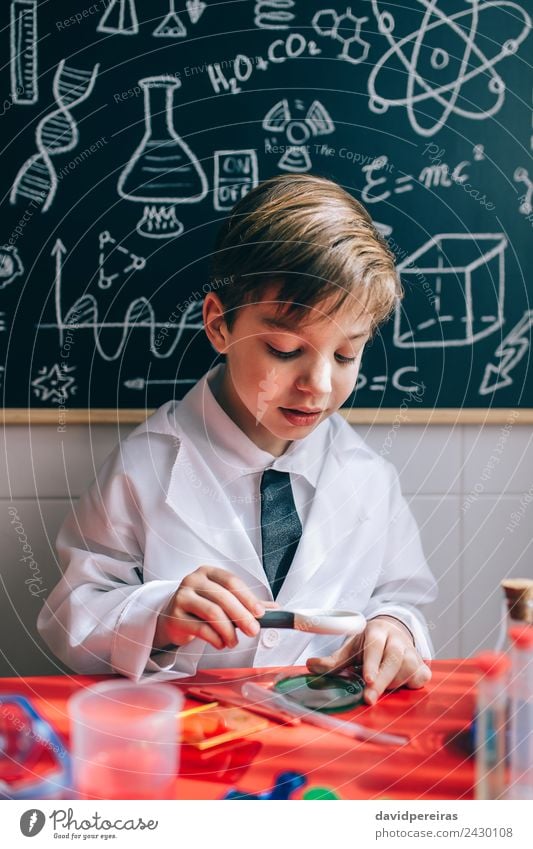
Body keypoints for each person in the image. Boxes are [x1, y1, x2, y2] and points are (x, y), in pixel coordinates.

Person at [38, 174, 437, 704]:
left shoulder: (369, 477)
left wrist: (395, 629)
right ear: (220, 325)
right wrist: (158, 615)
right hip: (197, 748)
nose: (317, 385)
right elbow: (71, 616)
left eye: (345, 355)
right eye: (283, 348)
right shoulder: (143, 466)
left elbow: (402, 597)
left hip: (328, 744)